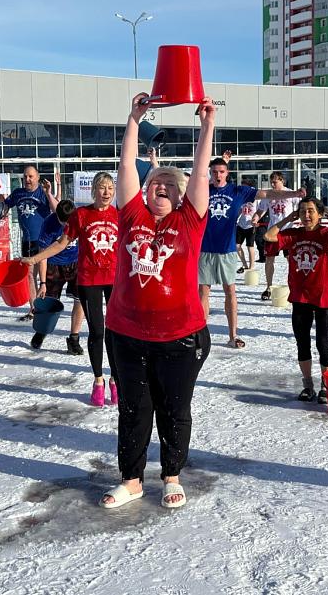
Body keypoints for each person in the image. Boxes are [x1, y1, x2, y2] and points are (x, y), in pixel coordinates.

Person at [100, 92, 215, 510]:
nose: (160, 189)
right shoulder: (133, 217)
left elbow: (201, 170)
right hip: (126, 332)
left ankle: (171, 474)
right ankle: (131, 479)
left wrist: (206, 127)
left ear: (180, 195)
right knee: (133, 407)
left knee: (173, 407)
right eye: (155, 185)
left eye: (168, 185)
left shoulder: (190, 220)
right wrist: (134, 119)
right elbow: (126, 166)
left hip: (179, 335)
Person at [23, 173, 120, 407]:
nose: (106, 192)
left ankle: (116, 380)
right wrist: (35, 258)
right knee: (97, 332)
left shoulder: (119, 215)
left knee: (117, 333)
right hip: (89, 280)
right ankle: (98, 380)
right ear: (93, 190)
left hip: (115, 280)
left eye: (110, 188)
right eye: (101, 188)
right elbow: (61, 243)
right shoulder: (81, 215)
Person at [200, 158, 304, 348]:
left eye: (221, 172)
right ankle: (200, 337)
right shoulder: (203, 190)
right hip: (205, 249)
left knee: (230, 291)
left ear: (227, 173)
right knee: (203, 293)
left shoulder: (238, 191)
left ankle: (233, 336)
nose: (217, 175)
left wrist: (294, 193)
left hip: (227, 250)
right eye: (214, 172)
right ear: (210, 173)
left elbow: (267, 193)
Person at [265, 197, 328, 402]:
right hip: (300, 296)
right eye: (302, 211)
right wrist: (287, 219)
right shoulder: (293, 234)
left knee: (323, 343)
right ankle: (308, 385)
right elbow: (268, 236)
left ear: (320, 214)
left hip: (322, 296)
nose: (307, 215)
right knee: (302, 343)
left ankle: (325, 385)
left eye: (311, 211)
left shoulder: (326, 233)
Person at [2, 165, 59, 321]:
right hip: (27, 240)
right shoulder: (18, 193)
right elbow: (5, 207)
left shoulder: (42, 192)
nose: (27, 179)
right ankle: (34, 309)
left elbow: (57, 211)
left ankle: (47, 307)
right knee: (29, 276)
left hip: (43, 240)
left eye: (31, 176)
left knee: (46, 277)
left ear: (37, 177)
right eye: (25, 176)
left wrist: (49, 193)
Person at [29, 200, 85, 354]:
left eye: (70, 222)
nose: (67, 226)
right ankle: (42, 331)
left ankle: (74, 338)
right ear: (57, 217)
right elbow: (43, 256)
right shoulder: (48, 224)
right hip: (54, 264)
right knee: (50, 302)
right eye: (64, 223)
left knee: (80, 299)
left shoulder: (80, 218)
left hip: (75, 262)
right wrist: (43, 282)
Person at [256, 172, 302, 301]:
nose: (273, 184)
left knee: (291, 260)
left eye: (275, 182)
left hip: (288, 231)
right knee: (269, 260)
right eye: (271, 182)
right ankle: (269, 287)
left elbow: (299, 209)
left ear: (282, 181)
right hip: (273, 232)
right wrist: (256, 217)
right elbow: (261, 210)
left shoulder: (291, 194)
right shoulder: (269, 194)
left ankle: (294, 286)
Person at [235, 200, 256, 273]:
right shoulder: (243, 199)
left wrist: (256, 220)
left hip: (250, 226)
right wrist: (235, 219)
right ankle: (244, 264)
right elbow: (240, 211)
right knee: (237, 246)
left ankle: (251, 266)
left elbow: (259, 212)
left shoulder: (256, 201)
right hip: (241, 225)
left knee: (250, 246)